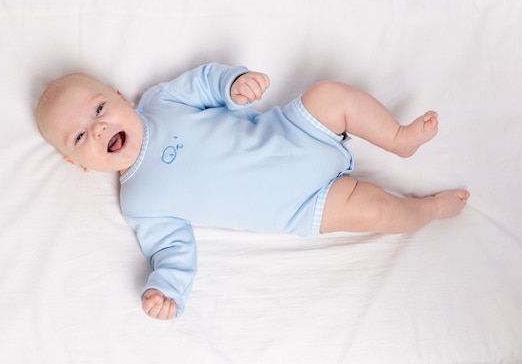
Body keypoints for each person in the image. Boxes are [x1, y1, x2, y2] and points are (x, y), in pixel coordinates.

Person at [36, 62, 470, 320]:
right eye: (79, 137)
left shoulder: (160, 102)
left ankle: (398, 139)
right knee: (378, 213)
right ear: (79, 165)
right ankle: (427, 211)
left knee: (328, 94)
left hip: (293, 133)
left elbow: (206, 82)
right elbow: (171, 247)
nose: (99, 128)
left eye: (98, 109)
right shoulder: (139, 202)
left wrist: (234, 84)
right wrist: (167, 287)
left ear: (119, 97)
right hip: (303, 207)